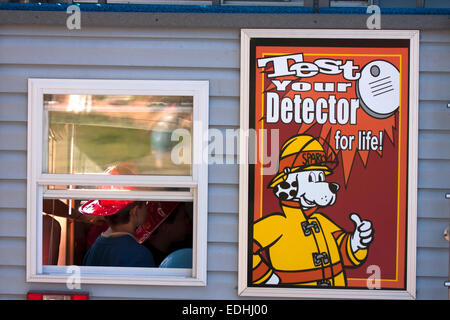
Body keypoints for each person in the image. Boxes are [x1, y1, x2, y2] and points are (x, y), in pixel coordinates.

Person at [80, 200, 156, 268]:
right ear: (134, 211)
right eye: (146, 203)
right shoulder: (140, 255)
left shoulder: (94, 249)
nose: (147, 208)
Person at [143, 202, 193, 266]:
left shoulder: (180, 248)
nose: (188, 221)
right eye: (184, 217)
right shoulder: (145, 258)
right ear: (165, 227)